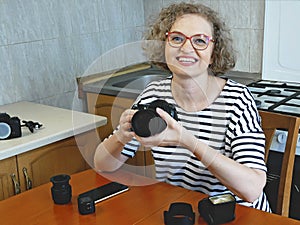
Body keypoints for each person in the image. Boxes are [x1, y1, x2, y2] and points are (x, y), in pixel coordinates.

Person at [94, 2, 271, 212]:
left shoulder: (237, 100)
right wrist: (121, 137)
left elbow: (252, 190)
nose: (186, 48)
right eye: (177, 38)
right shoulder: (153, 95)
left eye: (200, 41)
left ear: (214, 52)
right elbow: (102, 165)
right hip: (182, 210)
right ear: (164, 45)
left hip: (236, 215)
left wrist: (187, 140)